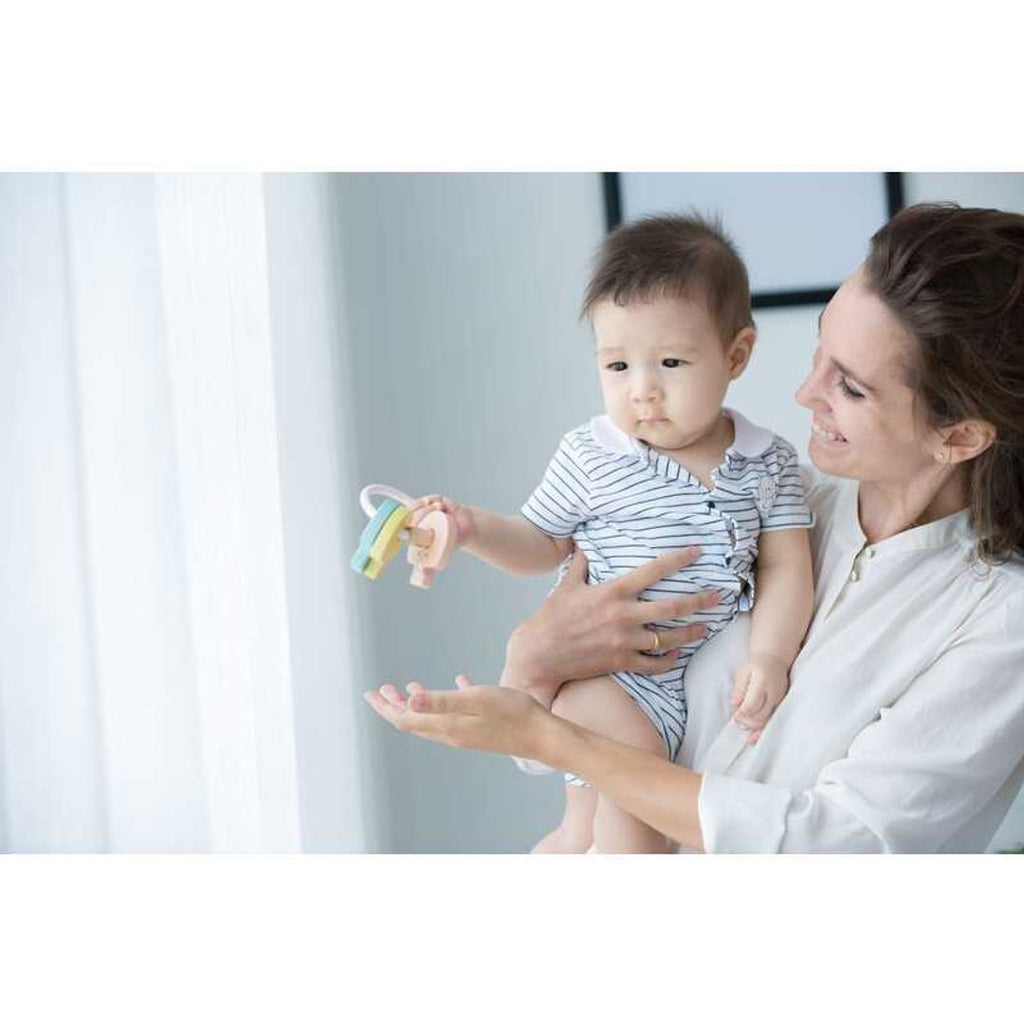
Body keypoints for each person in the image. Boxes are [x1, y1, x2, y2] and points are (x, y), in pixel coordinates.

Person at [366, 202, 1024, 854]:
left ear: (959, 436)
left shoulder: (999, 624)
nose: (804, 393)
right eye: (821, 346)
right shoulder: (784, 507)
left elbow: (829, 845)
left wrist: (548, 737)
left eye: (849, 387)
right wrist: (532, 662)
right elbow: (569, 741)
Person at [404, 214, 814, 853]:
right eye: (617, 365)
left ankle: (573, 838)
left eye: (671, 362)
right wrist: (473, 528)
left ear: (736, 355)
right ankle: (573, 836)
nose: (643, 391)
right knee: (631, 832)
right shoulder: (593, 454)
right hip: (605, 677)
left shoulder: (769, 461)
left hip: (690, 680)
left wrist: (769, 656)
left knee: (626, 813)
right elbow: (540, 544)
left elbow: (787, 566)